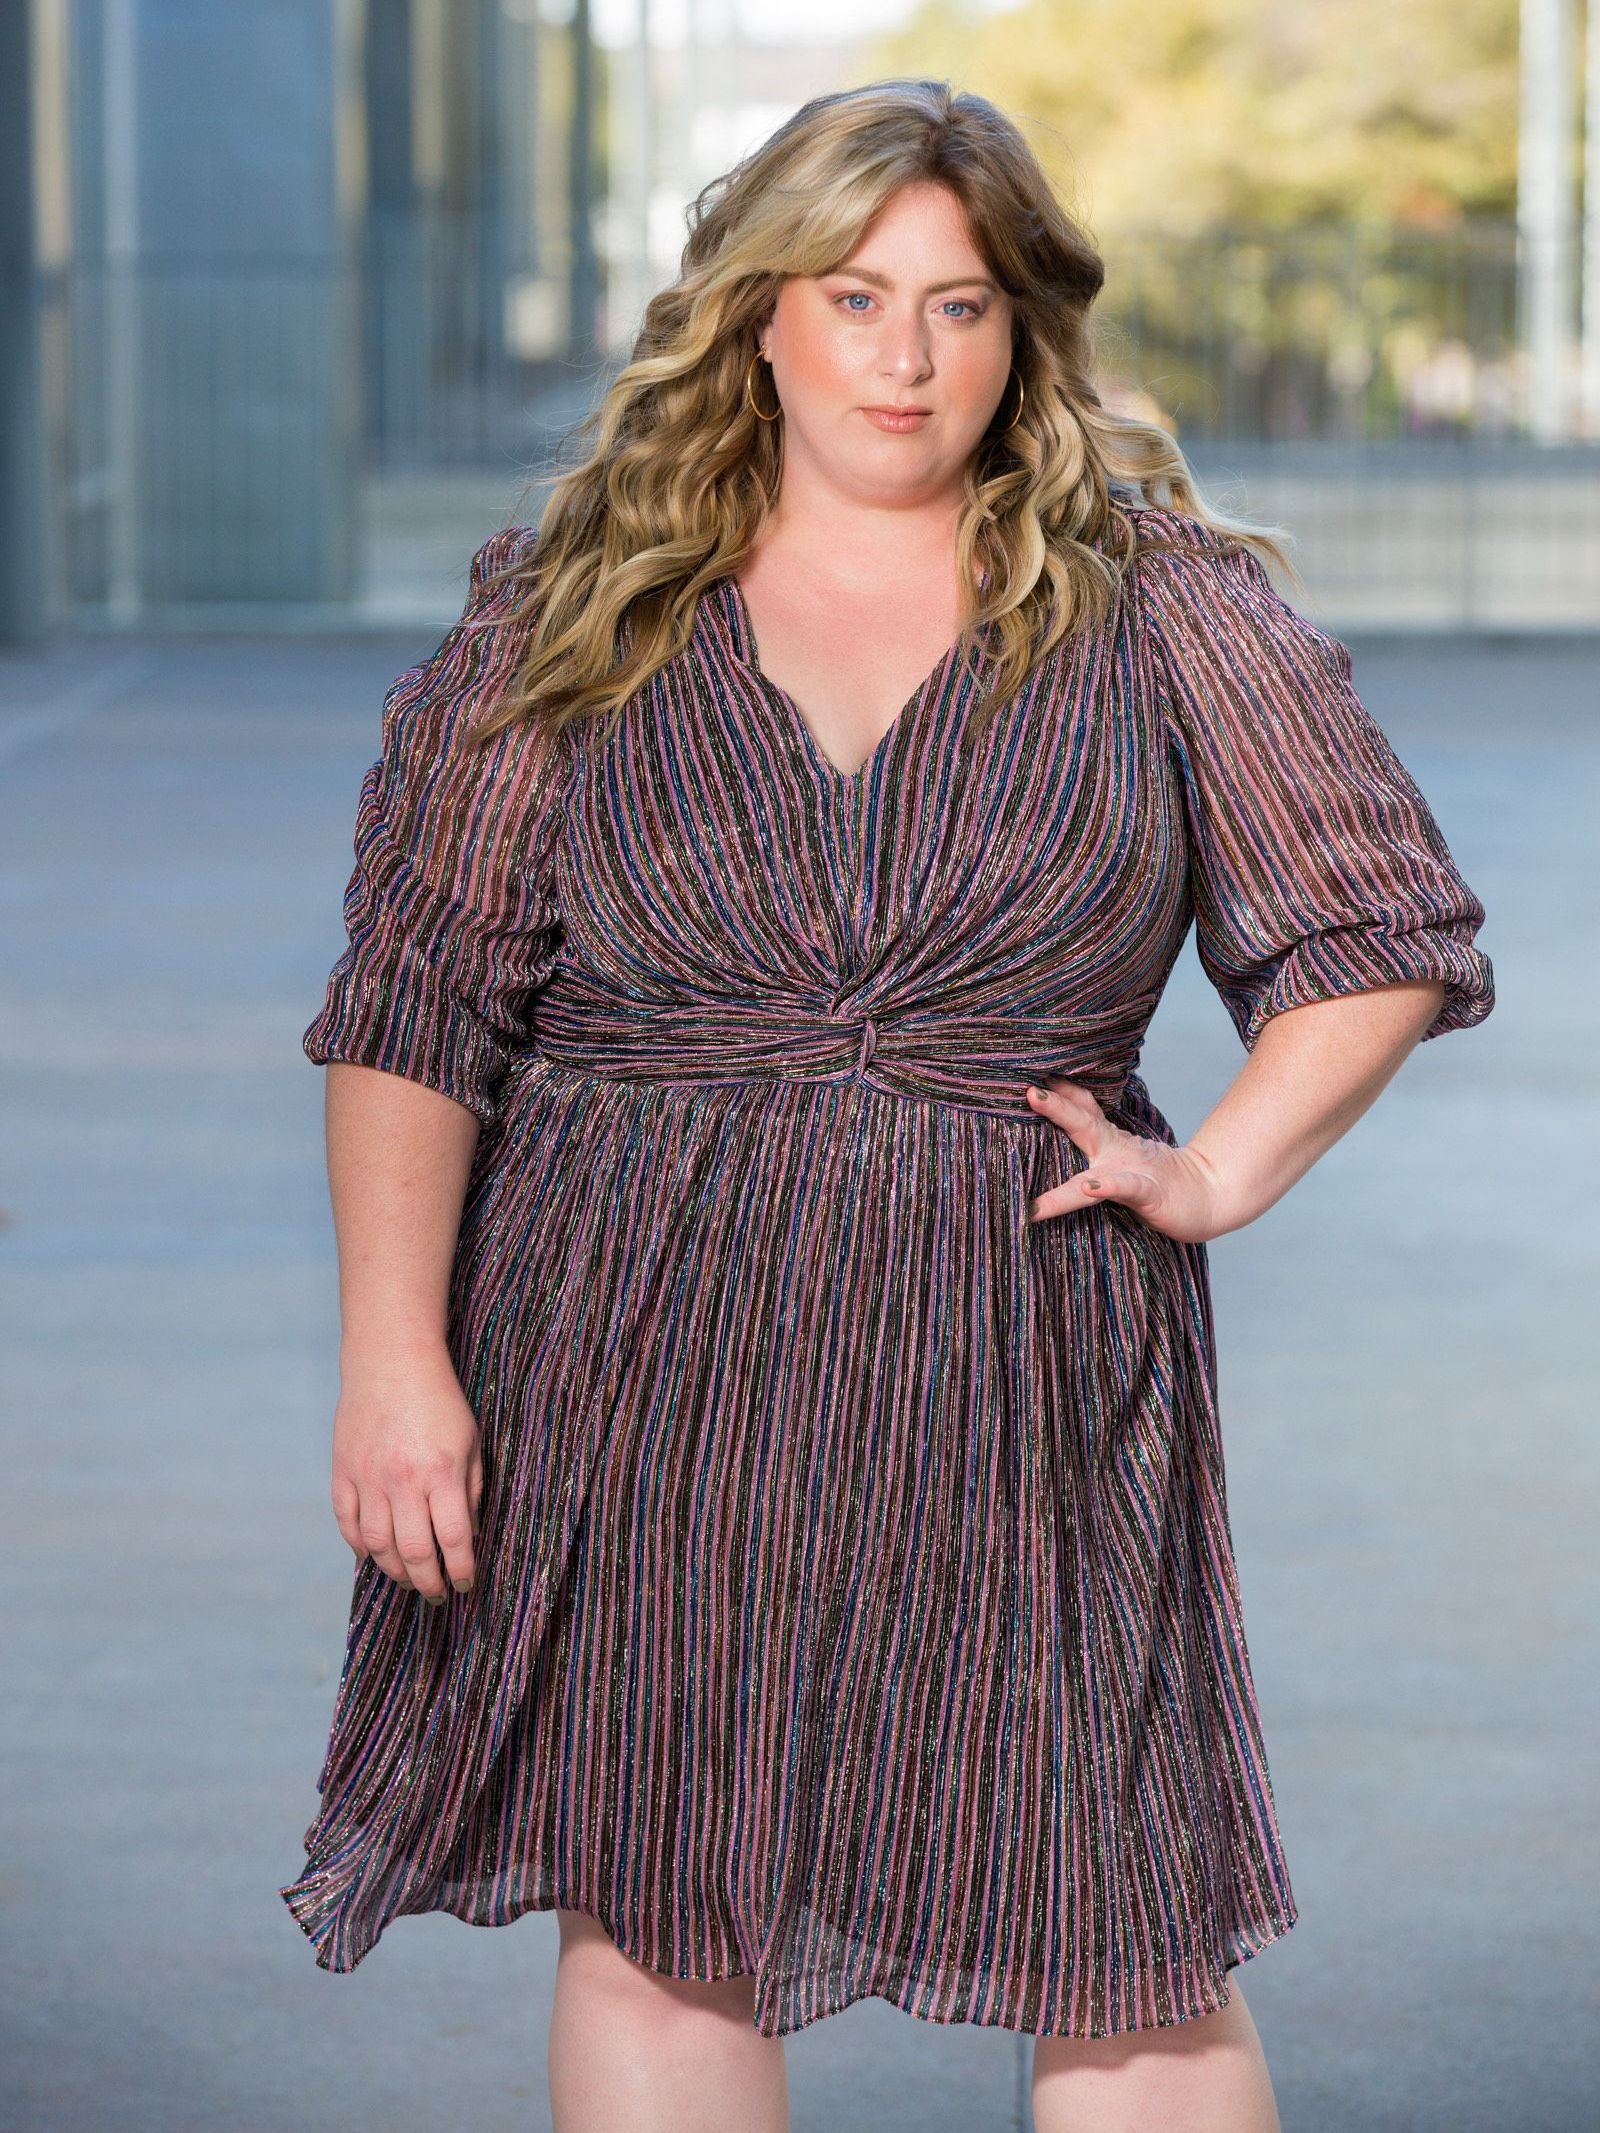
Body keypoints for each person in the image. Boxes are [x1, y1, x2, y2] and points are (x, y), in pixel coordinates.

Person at [279, 79, 1495, 2133]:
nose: (905, 358)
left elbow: (1372, 925)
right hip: (629, 1345)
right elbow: (420, 1000)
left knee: (1119, 1922)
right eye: (853, 298)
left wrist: (1211, 1167)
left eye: (957, 304)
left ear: (1023, 328)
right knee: (665, 1905)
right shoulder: (575, 605)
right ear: (754, 312)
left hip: (1023, 1350)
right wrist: (394, 1356)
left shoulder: (1160, 605)